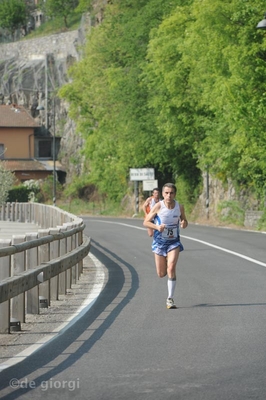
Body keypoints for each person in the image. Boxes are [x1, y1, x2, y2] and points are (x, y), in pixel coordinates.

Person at [143, 182, 188, 309]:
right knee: (161, 273)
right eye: (166, 193)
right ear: (163, 194)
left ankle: (170, 299)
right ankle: (166, 260)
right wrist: (157, 227)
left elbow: (184, 221)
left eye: (171, 193)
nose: (169, 195)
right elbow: (145, 222)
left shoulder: (179, 207)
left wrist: (184, 223)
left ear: (175, 194)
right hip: (159, 243)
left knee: (171, 267)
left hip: (174, 242)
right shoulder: (158, 206)